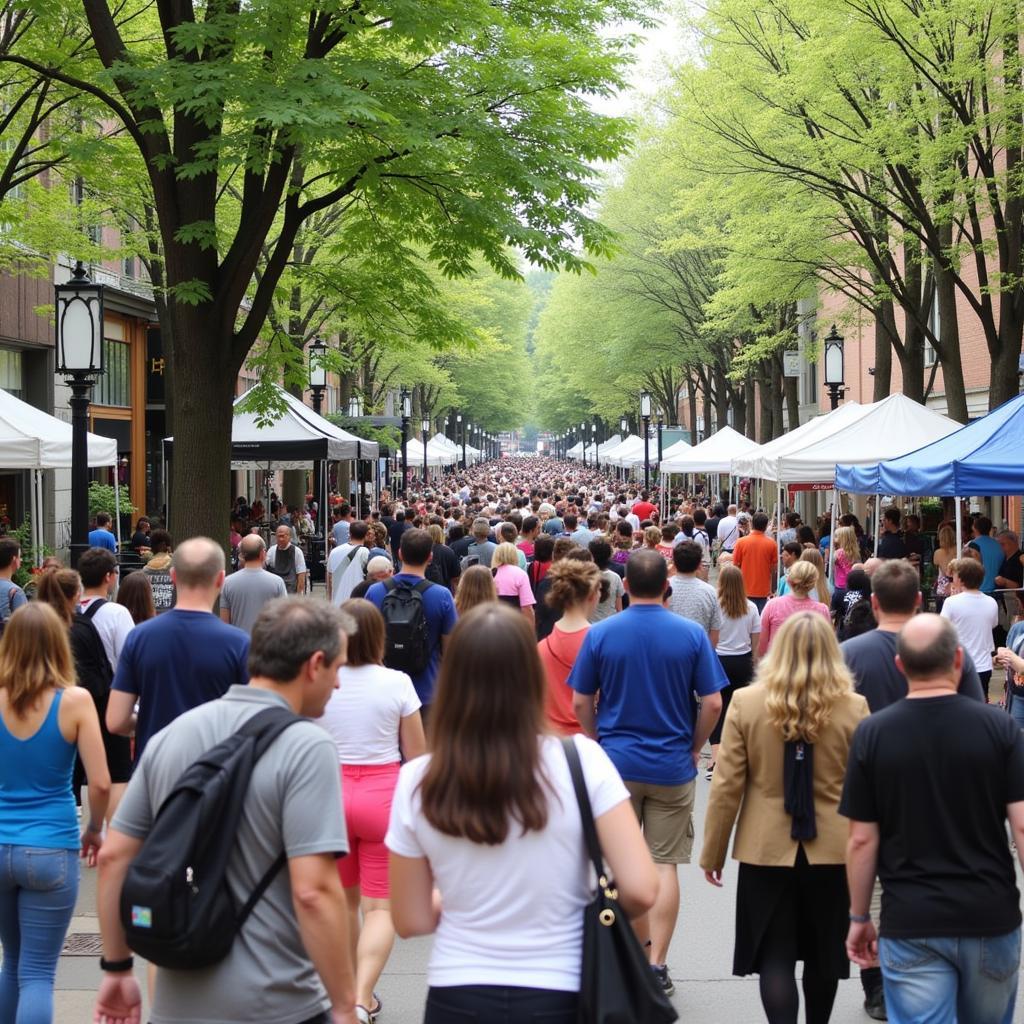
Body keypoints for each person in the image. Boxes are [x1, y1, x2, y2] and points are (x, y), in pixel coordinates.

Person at [92, 598, 360, 1024]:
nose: (339, 684)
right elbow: (313, 892)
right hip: (278, 1001)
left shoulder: (172, 736)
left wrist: (118, 968)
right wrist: (346, 1005)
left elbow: (113, 857)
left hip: (177, 1002)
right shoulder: (308, 747)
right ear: (313, 665)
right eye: (338, 668)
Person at [386, 603, 658, 1022]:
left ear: (453, 680)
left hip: (458, 991)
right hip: (565, 987)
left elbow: (409, 918)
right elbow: (641, 889)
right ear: (531, 678)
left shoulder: (418, 779)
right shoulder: (582, 760)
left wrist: (461, 897)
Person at [842, 615, 1024, 1024]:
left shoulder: (872, 734)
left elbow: (861, 840)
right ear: (959, 661)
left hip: (911, 919)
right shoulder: (1000, 729)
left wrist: (858, 917)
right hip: (989, 914)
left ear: (901, 666)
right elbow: (1023, 825)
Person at [569, 549, 726, 994]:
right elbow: (713, 701)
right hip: (671, 764)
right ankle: (656, 964)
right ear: (667, 588)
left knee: (617, 863)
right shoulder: (691, 635)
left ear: (622, 593)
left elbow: (580, 701)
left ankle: (625, 955)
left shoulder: (600, 635)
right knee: (664, 864)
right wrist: (696, 746)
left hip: (616, 764)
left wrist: (599, 740)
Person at [702, 613, 869, 1024]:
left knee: (775, 955)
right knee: (822, 955)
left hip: (766, 848)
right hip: (833, 850)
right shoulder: (853, 707)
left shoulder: (747, 702)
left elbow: (727, 786)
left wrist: (714, 852)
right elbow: (867, 789)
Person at [0, 602, 110, 1024]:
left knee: (11, 963)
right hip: (50, 845)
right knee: (39, 973)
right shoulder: (75, 701)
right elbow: (99, 783)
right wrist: (95, 829)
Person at [318, 600, 426, 1024]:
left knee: (344, 903)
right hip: (383, 794)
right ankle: (362, 997)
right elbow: (417, 755)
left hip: (330, 792)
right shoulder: (397, 683)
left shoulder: (323, 680)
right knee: (379, 908)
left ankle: (346, 991)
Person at [107, 537, 250, 762]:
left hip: (154, 769)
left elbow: (115, 720)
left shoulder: (140, 638)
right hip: (216, 773)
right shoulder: (239, 644)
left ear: (173, 577)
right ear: (221, 579)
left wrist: (146, 723)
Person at [365, 528, 457, 716]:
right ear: (430, 557)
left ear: (399, 553)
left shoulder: (374, 592)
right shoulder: (442, 596)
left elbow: (365, 644)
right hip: (427, 691)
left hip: (382, 692)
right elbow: (451, 649)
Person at [539, 559, 602, 736]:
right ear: (591, 595)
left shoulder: (541, 647)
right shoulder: (599, 641)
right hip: (587, 738)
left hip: (550, 737)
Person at [710, 564, 760, 780]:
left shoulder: (715, 606)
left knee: (716, 709)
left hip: (719, 660)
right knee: (740, 709)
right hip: (742, 661)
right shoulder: (751, 608)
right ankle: (741, 757)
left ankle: (715, 761)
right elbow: (755, 642)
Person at [941, 556, 999, 697]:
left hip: (958, 665)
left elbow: (942, 628)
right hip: (984, 665)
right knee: (981, 700)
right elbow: (993, 624)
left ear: (960, 579)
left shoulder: (951, 602)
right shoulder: (991, 602)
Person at [78, 547, 136, 673]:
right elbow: (129, 662)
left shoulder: (68, 610)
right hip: (106, 689)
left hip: (69, 690)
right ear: (108, 576)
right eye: (115, 572)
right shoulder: (117, 614)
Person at [758, 562, 830, 656]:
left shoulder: (772, 605)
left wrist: (762, 664)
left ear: (788, 580)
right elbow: (826, 645)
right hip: (809, 665)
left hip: (777, 664)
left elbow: (762, 643)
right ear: (813, 584)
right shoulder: (822, 610)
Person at [220, 534, 288, 634]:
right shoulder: (277, 582)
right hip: (266, 645)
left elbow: (224, 623)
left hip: (239, 646)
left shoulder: (227, 583)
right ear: (262, 554)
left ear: (242, 555)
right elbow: (284, 619)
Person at [667, 540, 722, 647]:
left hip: (667, 653)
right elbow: (715, 633)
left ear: (674, 563)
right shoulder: (710, 592)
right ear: (699, 565)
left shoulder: (662, 588)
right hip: (698, 651)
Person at [733, 512, 778, 612]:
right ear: (766, 526)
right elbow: (773, 569)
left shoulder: (741, 542)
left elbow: (735, 566)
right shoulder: (772, 544)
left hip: (744, 589)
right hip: (764, 590)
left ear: (751, 524)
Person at [490, 542, 536, 625]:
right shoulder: (520, 574)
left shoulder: (490, 574)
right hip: (515, 623)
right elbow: (526, 607)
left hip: (493, 623)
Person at [327, 521, 371, 606]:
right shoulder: (365, 552)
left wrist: (330, 598)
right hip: (357, 602)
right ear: (366, 535)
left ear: (350, 534)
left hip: (337, 601)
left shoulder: (334, 551)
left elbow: (329, 576)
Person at [265, 523, 308, 594]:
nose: (280, 539)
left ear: (289, 537)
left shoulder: (297, 552)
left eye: (283, 536)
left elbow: (301, 575)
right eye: (278, 536)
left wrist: (298, 596)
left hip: (291, 591)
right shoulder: (271, 550)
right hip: (275, 592)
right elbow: (264, 568)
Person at [588, 538, 624, 622]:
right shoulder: (615, 577)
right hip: (611, 622)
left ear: (591, 557)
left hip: (590, 624)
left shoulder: (585, 577)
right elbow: (619, 608)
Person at [967, 515, 1003, 597]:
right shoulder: (998, 545)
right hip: (996, 589)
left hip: (978, 589)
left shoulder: (973, 545)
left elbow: (969, 568)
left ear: (975, 528)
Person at [141, 529, 175, 613]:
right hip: (170, 613)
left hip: (150, 612)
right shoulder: (175, 568)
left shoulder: (145, 570)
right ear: (166, 545)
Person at [424, 524, 461, 593]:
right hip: (445, 588)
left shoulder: (423, 550)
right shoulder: (448, 551)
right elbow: (456, 575)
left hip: (425, 588)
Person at [932, 522, 958, 613]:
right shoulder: (959, 550)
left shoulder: (937, 553)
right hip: (957, 583)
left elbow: (935, 564)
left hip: (943, 587)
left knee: (942, 612)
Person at [0, 538, 27, 624]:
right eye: (20, 557)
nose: (21, 560)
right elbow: (24, 625)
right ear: (14, 560)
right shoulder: (15, 592)